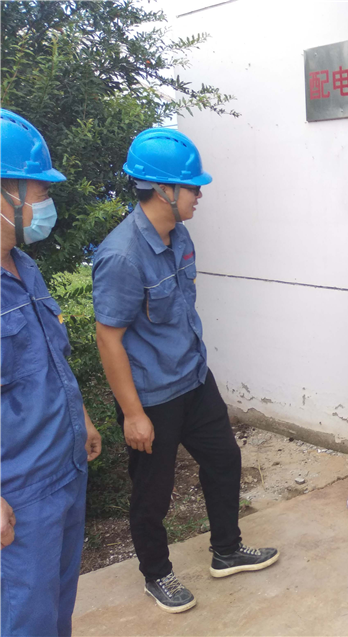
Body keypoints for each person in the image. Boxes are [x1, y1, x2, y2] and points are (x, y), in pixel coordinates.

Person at [92, 128, 278, 614]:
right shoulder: (121, 255)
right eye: (193, 187)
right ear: (163, 190)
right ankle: (156, 574)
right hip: (151, 395)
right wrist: (133, 414)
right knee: (153, 493)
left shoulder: (178, 234)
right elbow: (108, 338)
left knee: (224, 459)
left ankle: (226, 550)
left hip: (194, 378)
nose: (199, 195)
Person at [0, 108, 102, 636]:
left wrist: (81, 418)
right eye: (38, 190)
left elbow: (50, 357)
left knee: (56, 610)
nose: (46, 203)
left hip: (62, 470)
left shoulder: (25, 266)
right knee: (25, 619)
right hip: (18, 493)